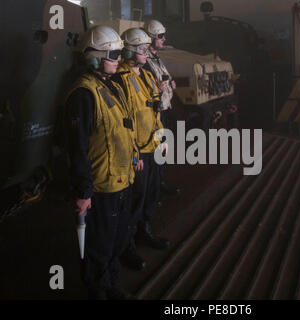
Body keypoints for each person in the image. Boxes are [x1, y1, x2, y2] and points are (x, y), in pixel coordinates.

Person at [65, 25, 137, 300]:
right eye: (113, 53)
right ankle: (97, 291)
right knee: (99, 247)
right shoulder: (83, 95)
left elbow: (123, 128)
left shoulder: (110, 85)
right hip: (102, 187)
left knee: (116, 241)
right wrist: (83, 192)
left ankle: (110, 284)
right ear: (94, 58)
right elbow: (77, 148)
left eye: (119, 52)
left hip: (122, 179)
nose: (119, 58)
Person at [113, 28, 170, 271]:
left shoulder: (146, 75)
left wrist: (162, 138)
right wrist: (134, 153)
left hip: (154, 146)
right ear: (130, 50)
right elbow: (124, 120)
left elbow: (154, 110)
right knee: (133, 202)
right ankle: (126, 247)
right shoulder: (120, 79)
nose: (147, 52)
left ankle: (143, 232)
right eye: (143, 48)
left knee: (150, 196)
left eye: (148, 48)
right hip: (138, 154)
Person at [143, 20, 180, 198]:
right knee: (156, 152)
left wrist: (170, 84)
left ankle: (159, 184)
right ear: (150, 38)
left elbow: (164, 78)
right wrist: (159, 89)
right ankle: (153, 190)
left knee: (163, 150)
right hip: (153, 114)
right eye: (160, 36)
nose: (164, 39)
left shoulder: (155, 58)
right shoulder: (145, 61)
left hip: (162, 110)